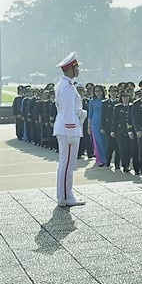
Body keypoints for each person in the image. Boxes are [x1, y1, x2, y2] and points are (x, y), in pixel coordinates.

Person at [53, 52, 87, 207]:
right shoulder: (67, 87)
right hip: (68, 129)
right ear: (71, 68)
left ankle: (65, 194)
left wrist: (80, 112)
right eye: (77, 67)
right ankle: (65, 197)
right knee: (67, 164)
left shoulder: (65, 84)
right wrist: (72, 132)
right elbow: (67, 112)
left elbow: (71, 108)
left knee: (65, 164)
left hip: (66, 126)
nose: (79, 70)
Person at [87, 85, 108, 166]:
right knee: (98, 140)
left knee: (105, 141)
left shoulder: (106, 101)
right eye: (96, 91)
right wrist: (89, 127)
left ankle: (106, 158)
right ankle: (100, 159)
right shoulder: (92, 101)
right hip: (95, 122)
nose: (98, 93)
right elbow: (90, 115)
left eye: (99, 91)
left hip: (105, 123)